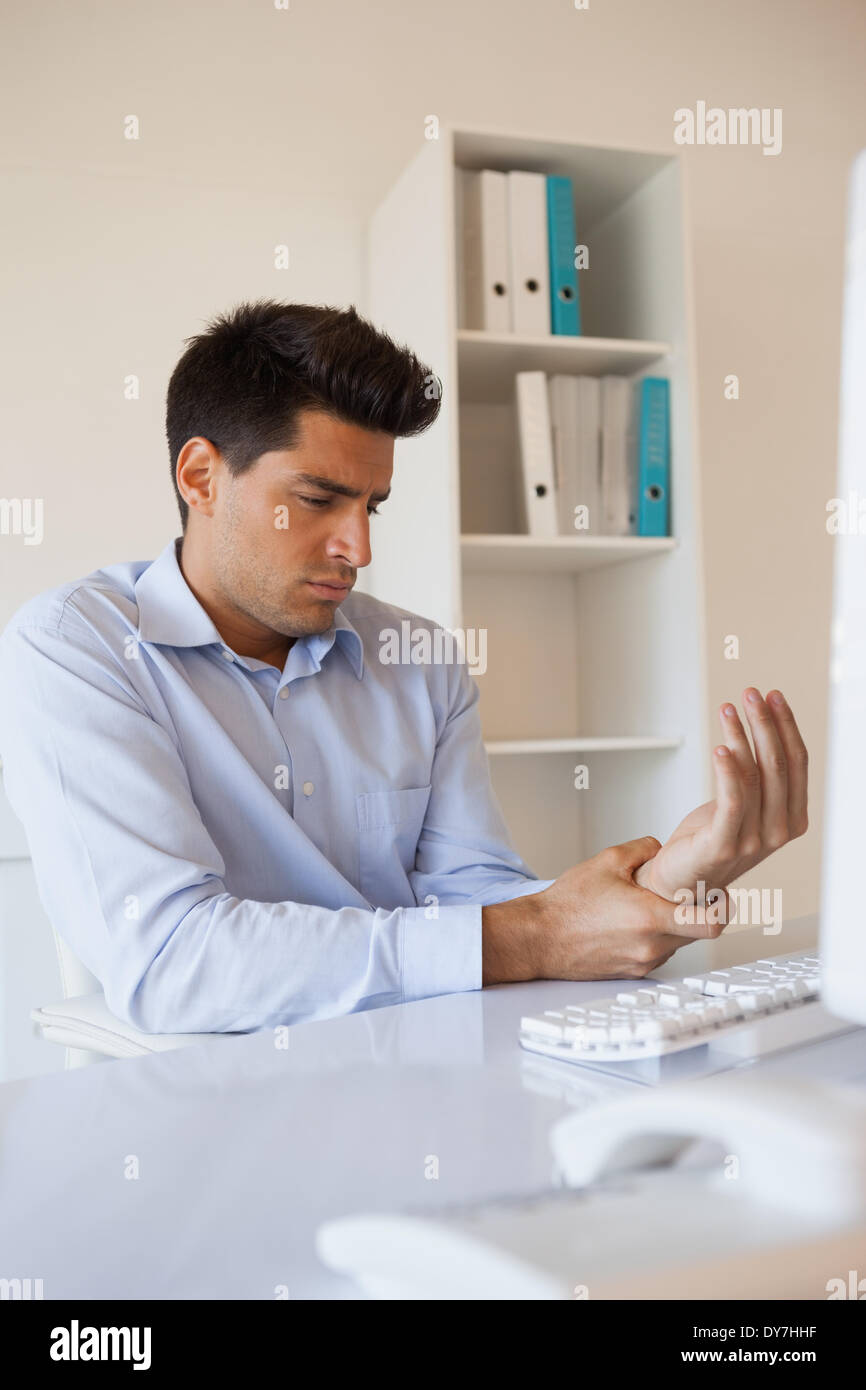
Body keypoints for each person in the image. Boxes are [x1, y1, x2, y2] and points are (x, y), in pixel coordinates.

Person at [0, 301, 808, 1033]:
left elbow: (479, 899)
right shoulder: (76, 649)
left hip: (425, 1058)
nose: (359, 549)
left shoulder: (417, 660)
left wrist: (662, 882)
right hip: (215, 1103)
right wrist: (529, 935)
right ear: (201, 477)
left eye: (371, 506)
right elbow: (176, 962)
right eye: (318, 500)